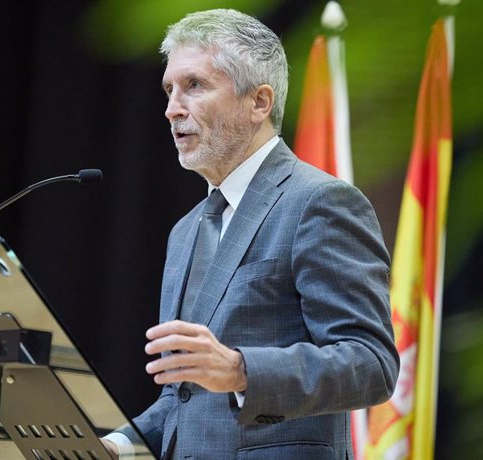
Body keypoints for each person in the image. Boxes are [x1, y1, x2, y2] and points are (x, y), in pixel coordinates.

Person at [104, 8, 399, 460]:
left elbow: (371, 365)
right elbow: (183, 398)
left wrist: (242, 370)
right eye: (169, 89)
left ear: (259, 102)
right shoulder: (185, 232)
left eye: (194, 86)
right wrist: (115, 444)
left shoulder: (319, 202)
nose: (171, 108)